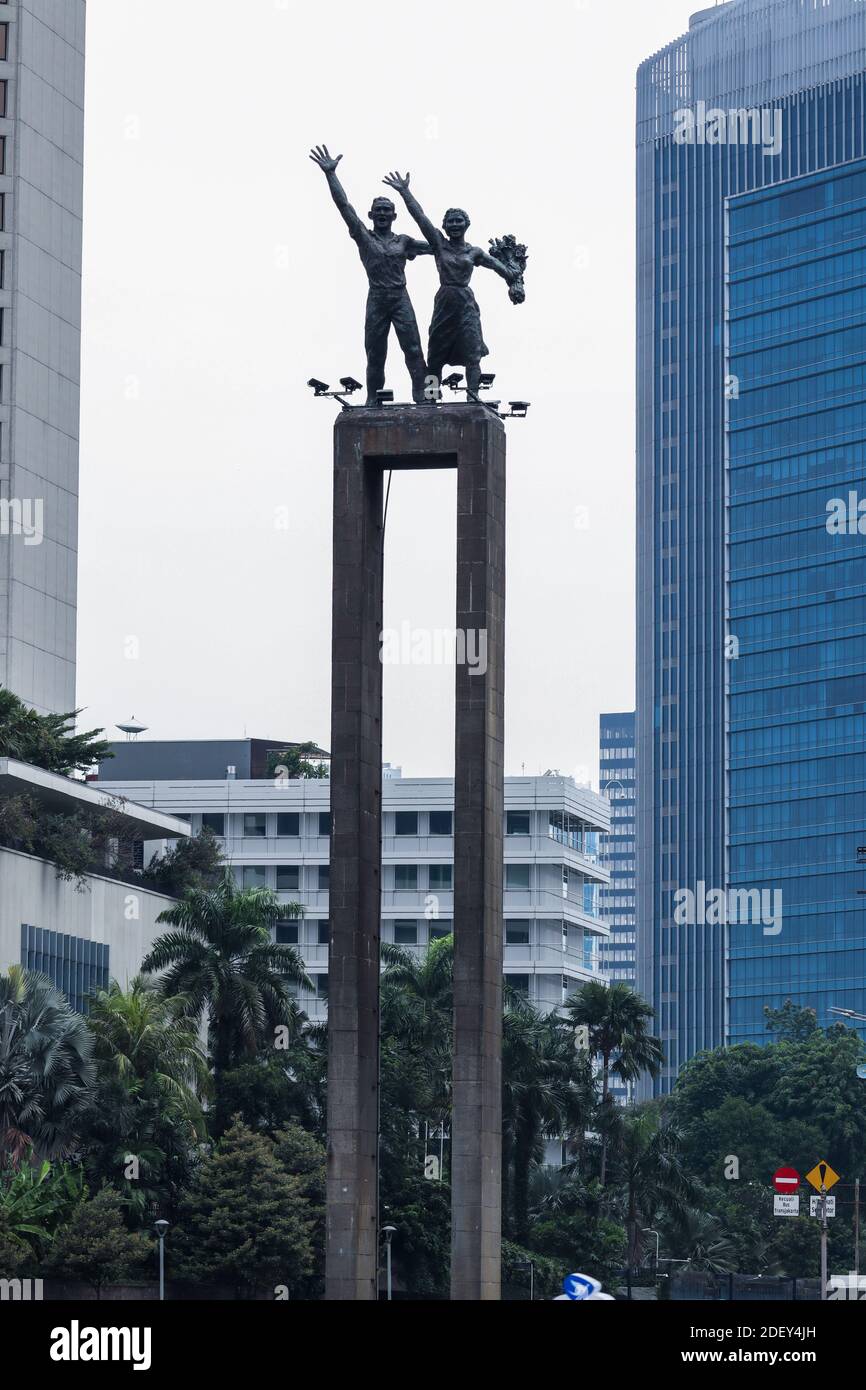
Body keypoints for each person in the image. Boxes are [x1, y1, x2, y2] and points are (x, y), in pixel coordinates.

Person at [310, 146, 432, 405]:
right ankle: (372, 399)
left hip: (400, 298)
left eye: (388, 210)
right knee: (375, 354)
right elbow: (344, 207)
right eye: (379, 210)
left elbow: (440, 247)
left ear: (394, 215)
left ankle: (425, 397)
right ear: (371, 215)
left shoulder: (404, 241)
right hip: (376, 298)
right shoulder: (364, 236)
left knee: (413, 350)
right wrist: (331, 174)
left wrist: (406, 192)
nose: (383, 213)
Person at [383, 169, 520, 397]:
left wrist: (513, 278)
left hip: (465, 303)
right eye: (451, 222)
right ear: (445, 226)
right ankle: (430, 398)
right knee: (435, 353)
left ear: (467, 224)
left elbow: (500, 268)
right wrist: (405, 192)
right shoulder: (439, 244)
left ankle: (473, 395)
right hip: (445, 301)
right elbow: (421, 218)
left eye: (459, 221)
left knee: (472, 352)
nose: (455, 224)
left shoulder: (474, 252)